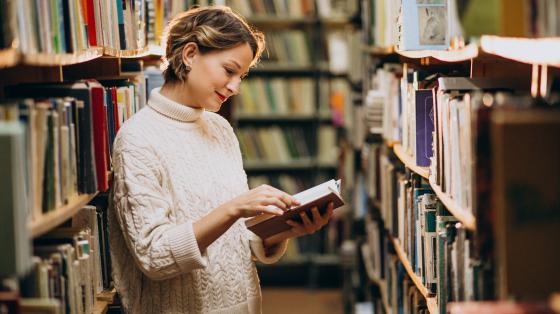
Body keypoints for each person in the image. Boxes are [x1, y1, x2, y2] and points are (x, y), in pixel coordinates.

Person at [108, 5, 334, 314]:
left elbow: (236, 241)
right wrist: (232, 209)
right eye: (229, 71)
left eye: (241, 76)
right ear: (189, 55)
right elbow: (154, 256)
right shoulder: (137, 140)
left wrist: (285, 229)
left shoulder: (220, 128)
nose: (235, 87)